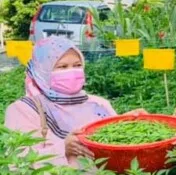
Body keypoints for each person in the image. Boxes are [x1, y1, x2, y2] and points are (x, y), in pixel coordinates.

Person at [4, 36, 117, 166]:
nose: (71, 71)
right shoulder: (24, 109)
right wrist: (62, 149)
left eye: (77, 65)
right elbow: (17, 164)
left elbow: (121, 146)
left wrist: (131, 120)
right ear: (42, 71)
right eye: (62, 67)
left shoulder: (99, 104)